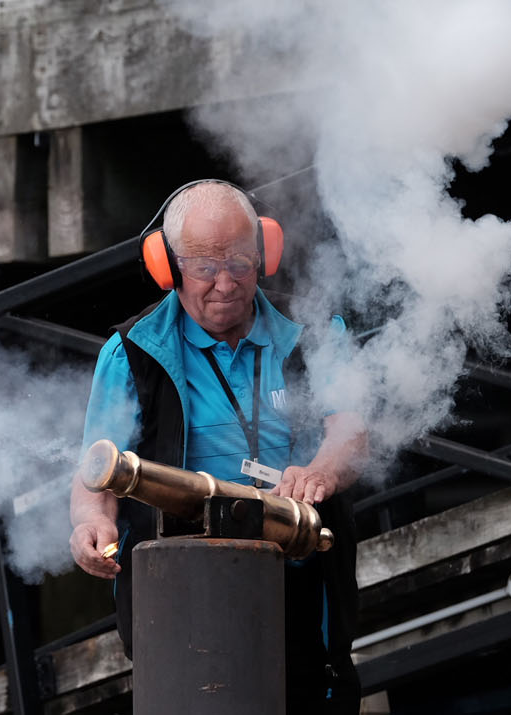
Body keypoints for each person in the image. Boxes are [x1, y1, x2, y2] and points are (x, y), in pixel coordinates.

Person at [68, 179, 366, 714]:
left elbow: (352, 431)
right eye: (204, 267)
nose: (225, 283)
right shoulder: (130, 353)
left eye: (241, 263)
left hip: (301, 586)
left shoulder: (318, 332)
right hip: (182, 598)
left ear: (265, 253)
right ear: (167, 264)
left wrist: (321, 469)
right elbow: (97, 467)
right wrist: (91, 522)